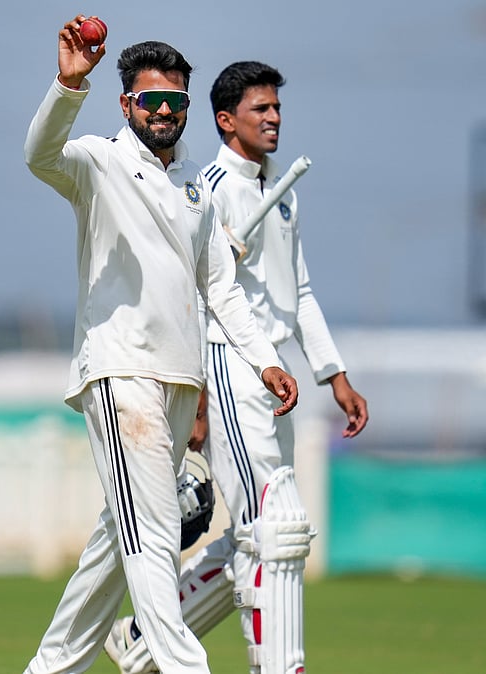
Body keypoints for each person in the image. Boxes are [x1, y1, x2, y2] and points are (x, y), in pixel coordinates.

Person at [20, 17, 300, 674]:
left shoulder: (195, 184)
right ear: (127, 104)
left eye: (176, 101)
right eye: (152, 100)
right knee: (151, 531)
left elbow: (219, 286)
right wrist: (68, 85)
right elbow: (39, 154)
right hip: (121, 373)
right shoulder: (99, 162)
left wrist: (266, 361)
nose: (165, 112)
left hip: (178, 378)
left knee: (118, 539)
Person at [104, 60, 369, 674]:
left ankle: (142, 639)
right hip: (228, 364)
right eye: (260, 109)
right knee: (271, 529)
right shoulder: (208, 186)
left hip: (277, 377)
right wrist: (197, 397)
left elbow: (299, 292)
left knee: (263, 531)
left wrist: (334, 375)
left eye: (277, 108)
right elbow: (195, 295)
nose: (274, 118)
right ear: (226, 120)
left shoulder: (283, 191)